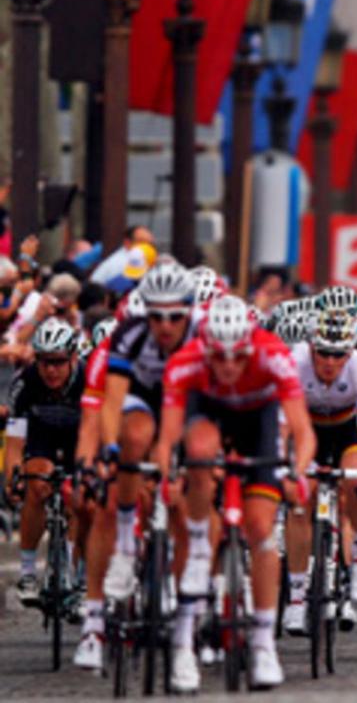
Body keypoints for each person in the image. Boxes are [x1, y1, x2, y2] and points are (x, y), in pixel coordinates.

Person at [155, 295, 315, 692]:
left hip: (256, 422)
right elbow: (168, 437)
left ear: (250, 347)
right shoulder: (187, 361)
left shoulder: (272, 355)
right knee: (199, 449)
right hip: (206, 414)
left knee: (261, 529)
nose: (228, 366)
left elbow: (302, 430)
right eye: (219, 357)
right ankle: (183, 642)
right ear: (205, 349)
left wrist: (297, 472)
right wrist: (167, 474)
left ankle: (263, 643)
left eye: (237, 357)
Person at [78, 262, 196, 671]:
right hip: (142, 400)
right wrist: (107, 452)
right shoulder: (125, 337)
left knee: (189, 498)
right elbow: (105, 408)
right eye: (156, 316)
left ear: (189, 312)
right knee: (113, 493)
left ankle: (191, 608)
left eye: (175, 316)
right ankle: (94, 622)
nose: (165, 326)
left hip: (187, 402)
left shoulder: (204, 336)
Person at [282, 309, 357, 635]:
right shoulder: (293, 363)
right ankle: (296, 599)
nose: (330, 362)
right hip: (307, 431)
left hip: (347, 433)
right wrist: (285, 470)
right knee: (300, 503)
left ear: (350, 352)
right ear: (311, 347)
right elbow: (283, 429)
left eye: (338, 354)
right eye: (324, 353)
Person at [5, 319, 89, 608]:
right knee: (37, 484)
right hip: (41, 439)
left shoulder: (89, 380)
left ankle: (77, 575)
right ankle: (28, 573)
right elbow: (14, 441)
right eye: (44, 362)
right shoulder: (25, 383)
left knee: (80, 497)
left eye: (58, 362)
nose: (51, 370)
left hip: (80, 439)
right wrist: (13, 478)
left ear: (73, 358)